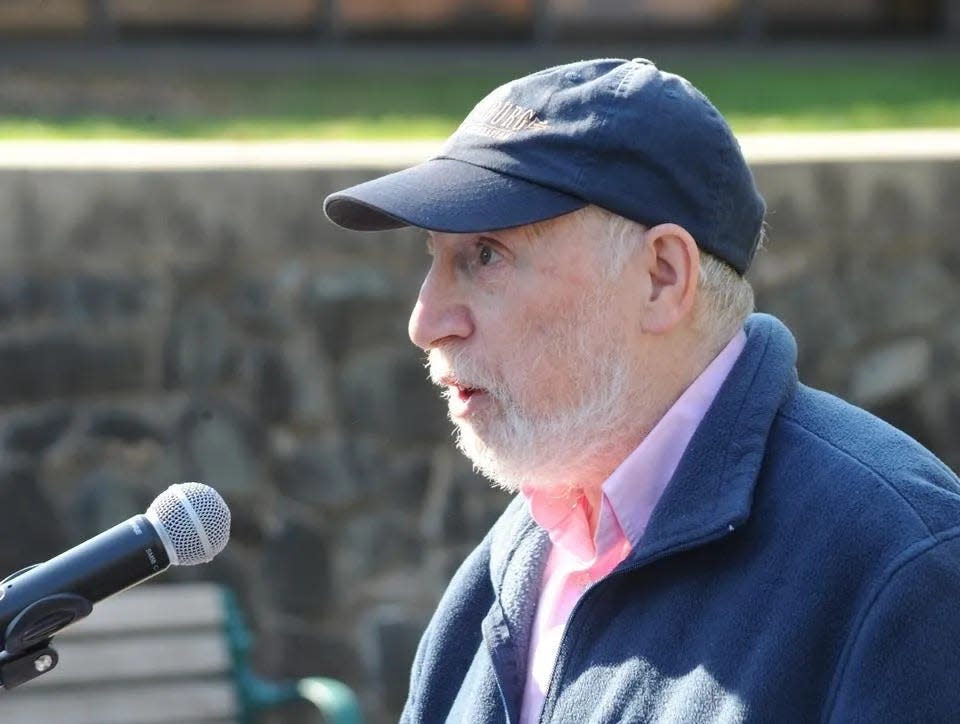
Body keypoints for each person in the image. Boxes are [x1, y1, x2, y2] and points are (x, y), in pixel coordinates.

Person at [323, 58, 960, 723]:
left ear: (660, 276)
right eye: (437, 258)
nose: (425, 323)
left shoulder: (899, 568)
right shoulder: (525, 548)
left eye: (485, 255)